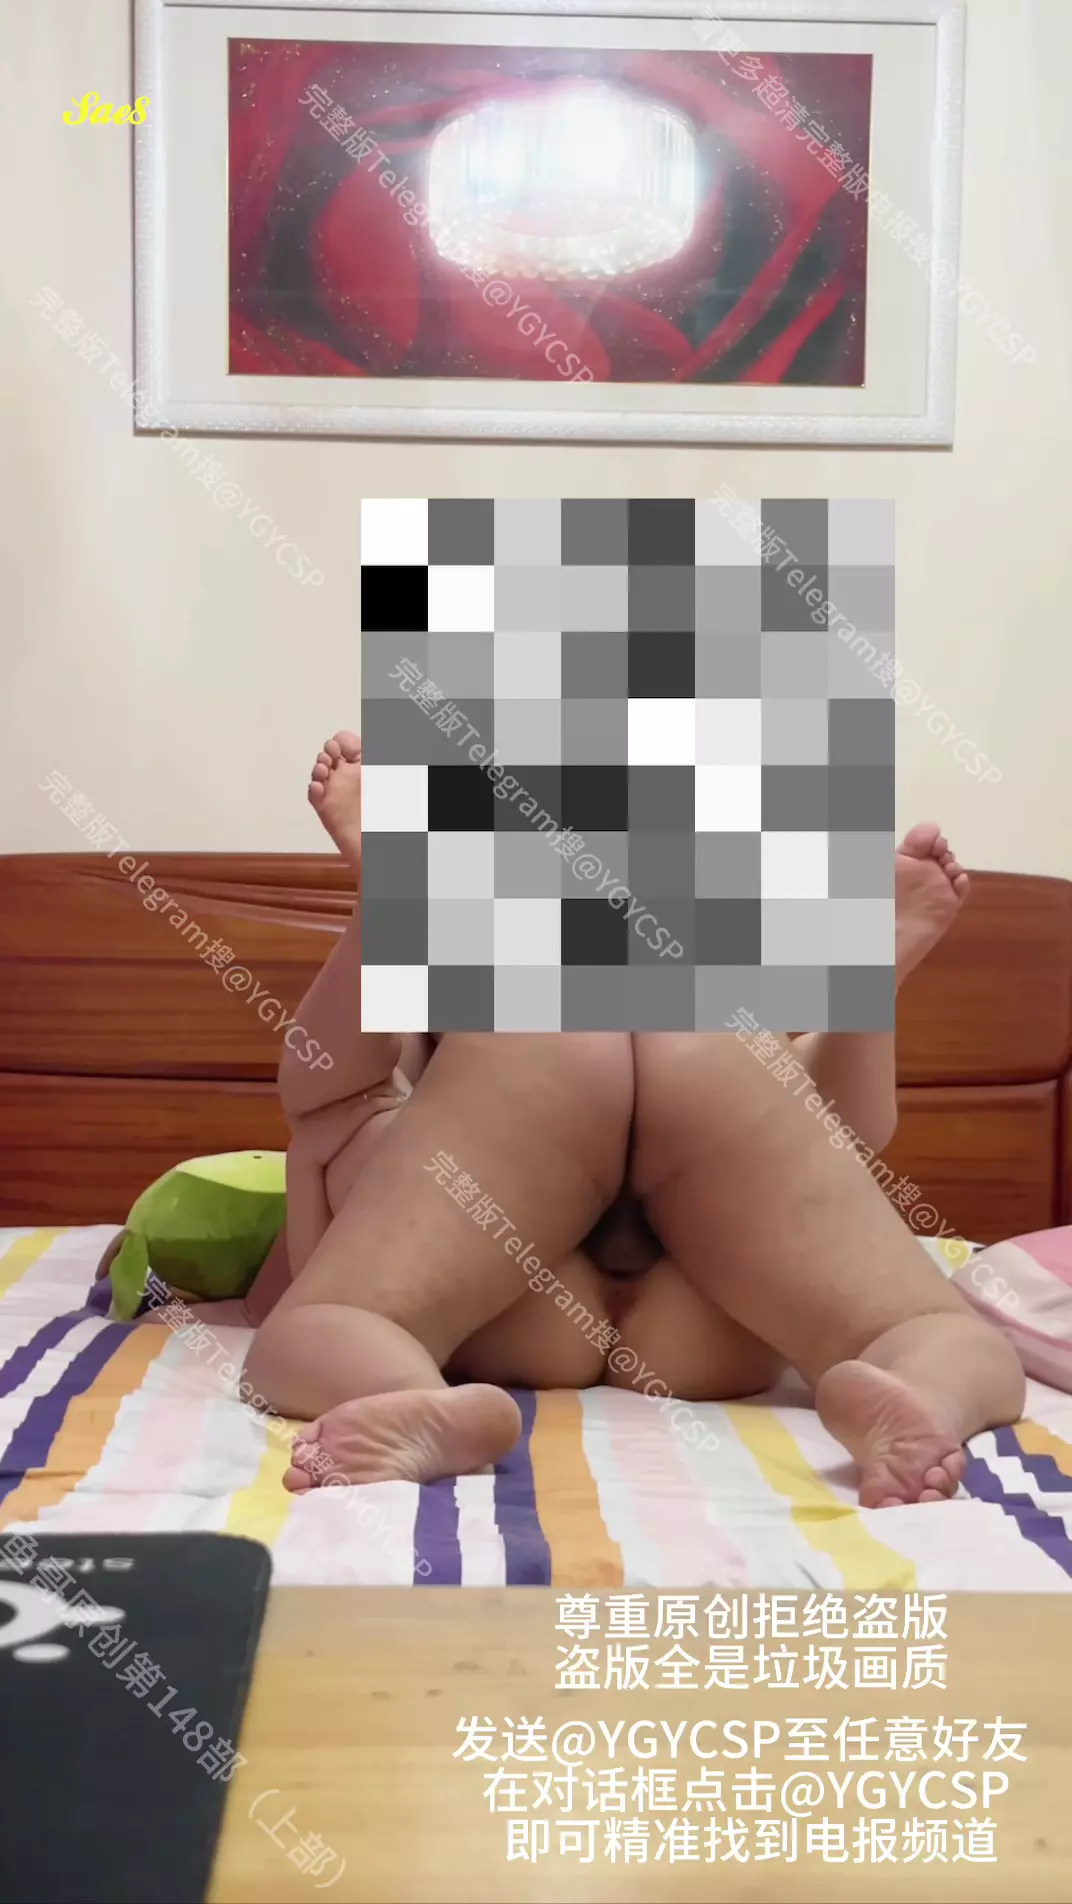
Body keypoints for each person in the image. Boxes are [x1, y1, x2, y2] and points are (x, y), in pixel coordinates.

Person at [233, 733, 1023, 1507]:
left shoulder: (492, 994)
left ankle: (400, 1390)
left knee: (322, 1317)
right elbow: (850, 1136)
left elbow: (324, 1093)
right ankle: (927, 1388)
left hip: (515, 1313)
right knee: (938, 1328)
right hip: (705, 1328)